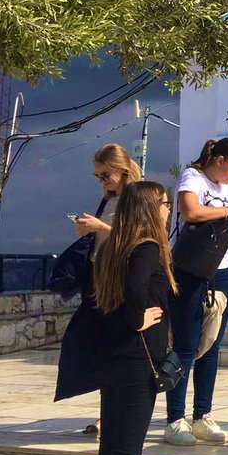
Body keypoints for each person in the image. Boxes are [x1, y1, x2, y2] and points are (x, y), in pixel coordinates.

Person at [93, 181, 176, 455]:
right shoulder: (146, 247)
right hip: (133, 367)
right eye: (164, 203)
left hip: (117, 363)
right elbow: (133, 292)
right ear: (149, 208)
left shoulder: (117, 246)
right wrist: (136, 318)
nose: (169, 209)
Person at [164, 137, 228, 445]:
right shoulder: (193, 177)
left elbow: (216, 228)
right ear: (219, 160)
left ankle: (202, 415)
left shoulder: (225, 188)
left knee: (212, 345)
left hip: (219, 268)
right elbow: (191, 212)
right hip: (188, 269)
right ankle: (175, 419)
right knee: (185, 345)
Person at [72, 143, 143, 433]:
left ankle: (115, 413)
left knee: (115, 345)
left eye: (105, 175)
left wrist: (100, 227)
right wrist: (88, 228)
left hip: (118, 276)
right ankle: (106, 412)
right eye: (97, 176)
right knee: (101, 347)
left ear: (122, 169)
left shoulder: (135, 197)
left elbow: (138, 237)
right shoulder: (109, 199)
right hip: (97, 273)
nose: (102, 181)